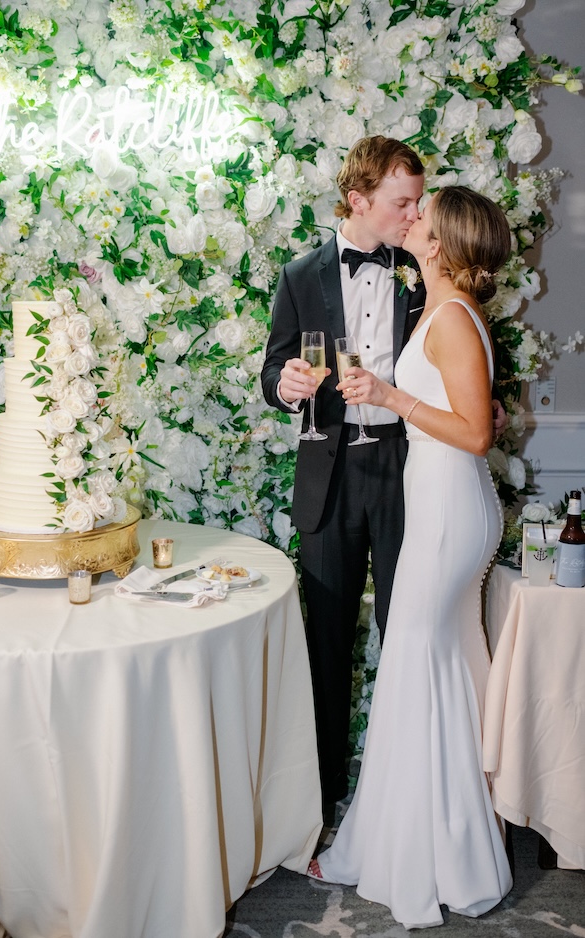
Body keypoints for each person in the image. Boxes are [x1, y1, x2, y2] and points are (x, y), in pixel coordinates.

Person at [307, 185, 513, 929]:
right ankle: (446, 844)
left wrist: (392, 400)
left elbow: (476, 433)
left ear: (440, 243)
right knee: (430, 670)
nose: (411, 217)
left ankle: (421, 856)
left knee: (416, 667)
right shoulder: (439, 309)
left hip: (451, 507)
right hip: (438, 501)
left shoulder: (453, 317)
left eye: (423, 215)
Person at [261, 137, 427, 805]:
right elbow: (271, 370)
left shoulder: (425, 271)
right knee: (325, 640)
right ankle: (324, 797)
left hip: (407, 470)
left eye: (417, 201)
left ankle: (402, 795)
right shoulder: (300, 276)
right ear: (358, 200)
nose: (415, 215)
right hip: (327, 476)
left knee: (408, 630)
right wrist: (287, 383)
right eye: (401, 203)